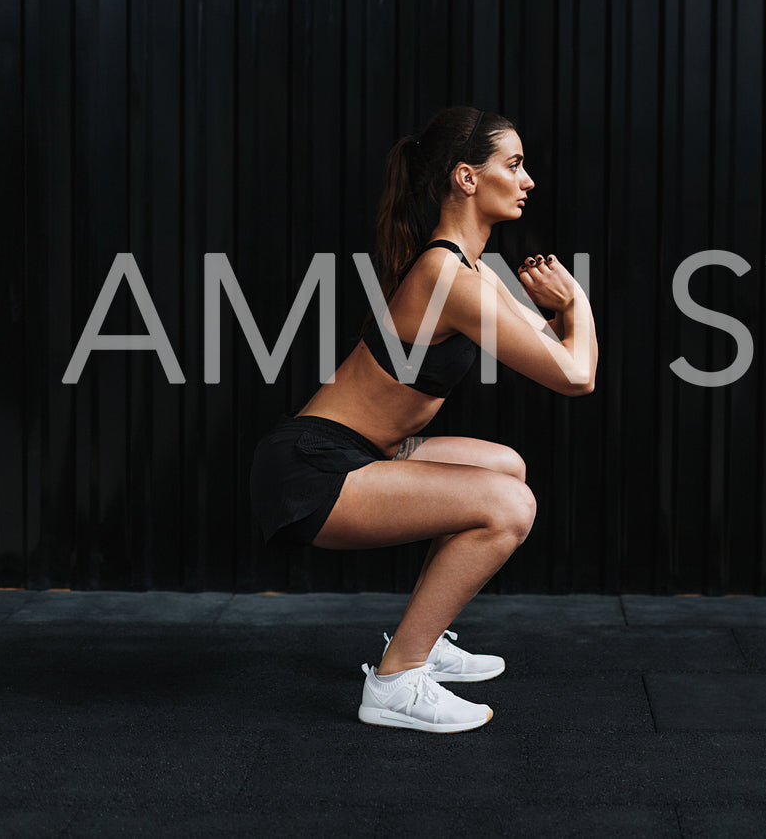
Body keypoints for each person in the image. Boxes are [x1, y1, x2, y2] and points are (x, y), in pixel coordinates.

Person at [248, 107, 598, 733]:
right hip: (311, 467)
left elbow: (557, 356)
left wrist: (566, 316)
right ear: (467, 177)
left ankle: (423, 637)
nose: (528, 180)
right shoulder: (446, 272)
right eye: (513, 165)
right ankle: (395, 681)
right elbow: (576, 374)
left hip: (367, 452)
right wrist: (578, 302)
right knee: (510, 505)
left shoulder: (471, 272)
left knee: (504, 467)